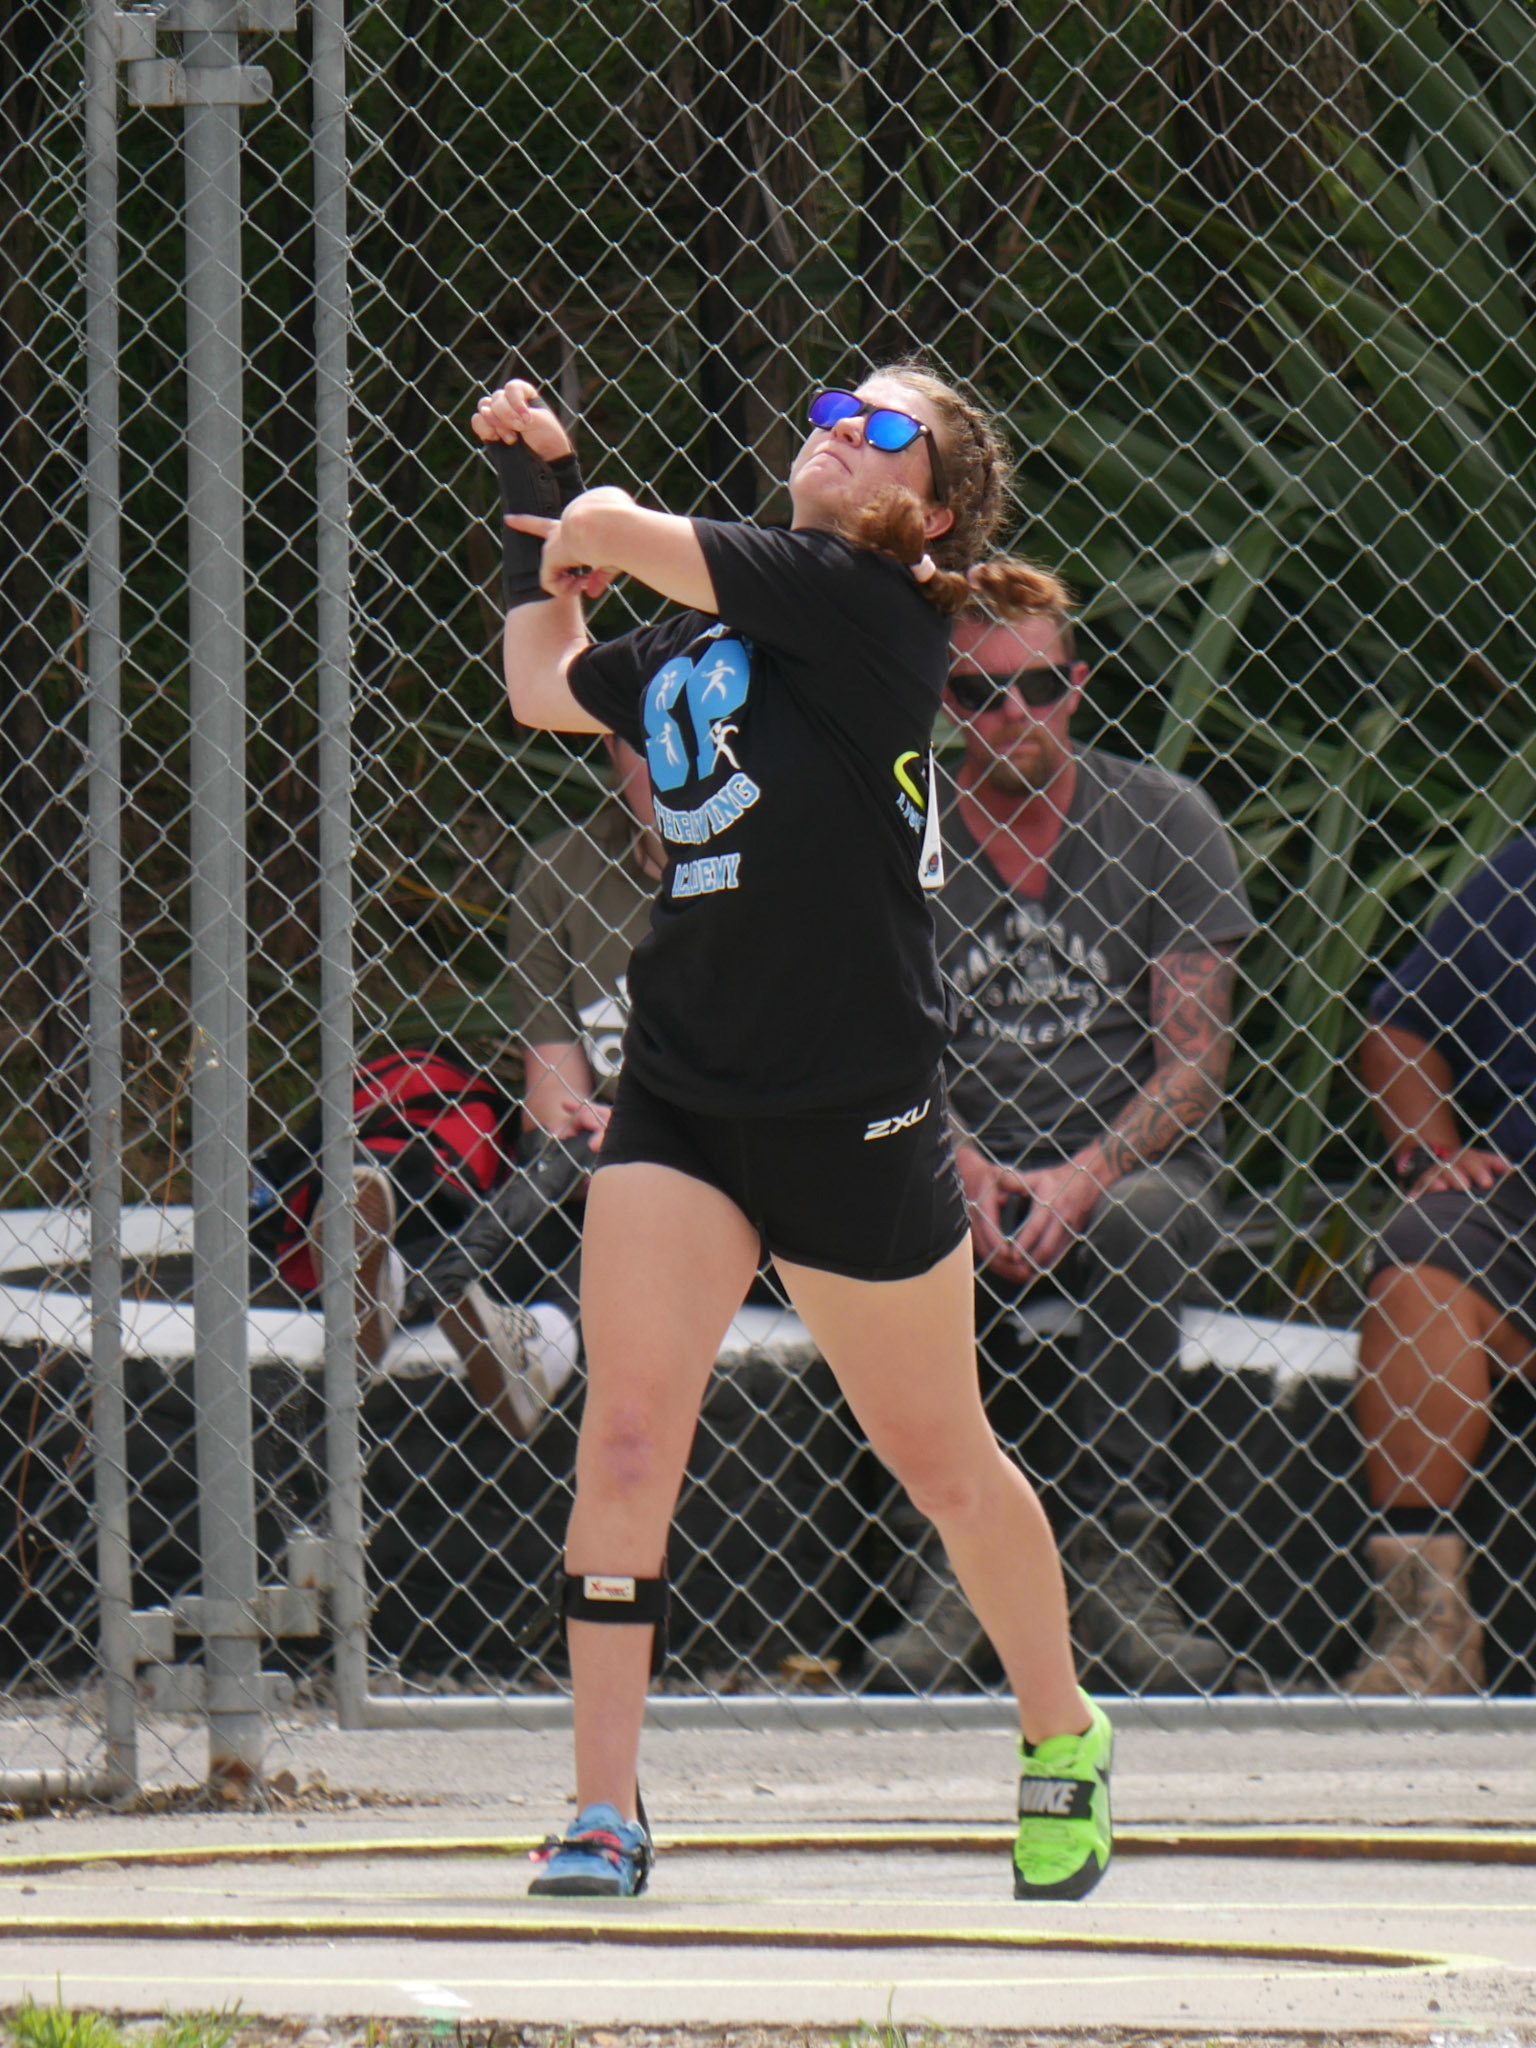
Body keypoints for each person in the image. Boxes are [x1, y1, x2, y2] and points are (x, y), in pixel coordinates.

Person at [469, 362, 1114, 1903]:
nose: (842, 429)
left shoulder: (872, 605)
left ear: (931, 512)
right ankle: (604, 1811)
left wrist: (579, 505)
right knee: (630, 1436)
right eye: (835, 407)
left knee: (942, 1459)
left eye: (887, 428)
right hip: (687, 1095)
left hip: (854, 1108)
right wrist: (529, 511)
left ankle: (1063, 1728)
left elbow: (625, 534)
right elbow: (545, 684)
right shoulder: (713, 625)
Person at [863, 604, 1254, 1695]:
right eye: (978, 692)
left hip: (1129, 1161)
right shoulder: (899, 825)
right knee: (903, 1206)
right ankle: (948, 1566)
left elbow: (1193, 1064)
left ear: (1077, 686)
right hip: (948, 1145)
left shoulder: (1165, 818)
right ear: (944, 704)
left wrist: (1082, 1177)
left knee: (1142, 1222)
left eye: (1037, 685)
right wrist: (960, 1163)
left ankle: (1118, 1560)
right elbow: (870, 1036)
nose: (1013, 713)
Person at [1348, 835, 1536, 1695]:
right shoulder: (1523, 873)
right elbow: (1402, 1027)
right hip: (1521, 1199)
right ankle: (1424, 1630)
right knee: (1420, 1263)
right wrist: (1431, 1151)